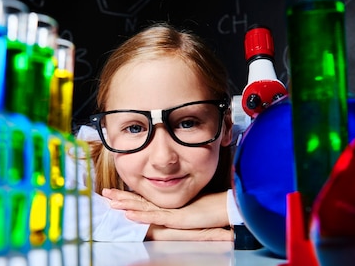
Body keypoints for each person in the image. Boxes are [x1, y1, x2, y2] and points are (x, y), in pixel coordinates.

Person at [76, 22, 246, 242]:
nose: (163, 159)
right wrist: (159, 228)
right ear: (106, 132)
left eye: (187, 123)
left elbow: (299, 193)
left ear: (226, 125)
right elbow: (30, 202)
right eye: (135, 128)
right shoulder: (81, 158)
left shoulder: (251, 145)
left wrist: (223, 206)